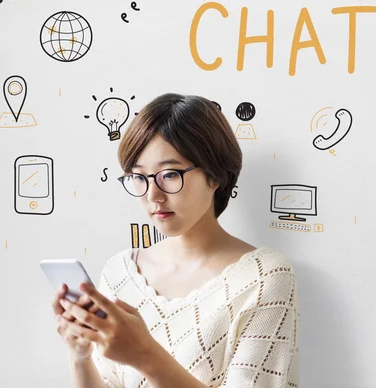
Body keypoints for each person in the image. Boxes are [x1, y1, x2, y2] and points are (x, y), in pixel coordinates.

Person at [51, 93, 300, 387]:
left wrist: (145, 354)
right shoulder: (120, 273)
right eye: (139, 177)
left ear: (216, 175)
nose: (152, 196)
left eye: (169, 175)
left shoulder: (264, 277)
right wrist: (79, 355)